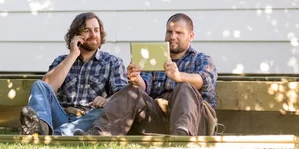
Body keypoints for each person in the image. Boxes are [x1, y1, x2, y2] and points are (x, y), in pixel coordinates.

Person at [84, 13, 218, 136]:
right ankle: (98, 134)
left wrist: (179, 76)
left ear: (191, 36)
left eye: (179, 33)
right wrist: (136, 79)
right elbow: (144, 87)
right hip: (159, 120)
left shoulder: (202, 59)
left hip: (194, 123)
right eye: (169, 32)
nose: (172, 37)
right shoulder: (155, 58)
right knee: (131, 91)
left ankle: (181, 138)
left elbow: (204, 80)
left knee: (184, 87)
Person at [19, 12, 128, 136]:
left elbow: (123, 96)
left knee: (105, 111)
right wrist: (73, 55)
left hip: (90, 119)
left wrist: (106, 100)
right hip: (61, 116)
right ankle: (43, 127)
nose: (93, 35)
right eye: (87, 30)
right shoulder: (61, 61)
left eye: (96, 30)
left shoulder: (113, 62)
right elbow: (48, 86)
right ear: (76, 35)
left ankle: (54, 134)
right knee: (39, 84)